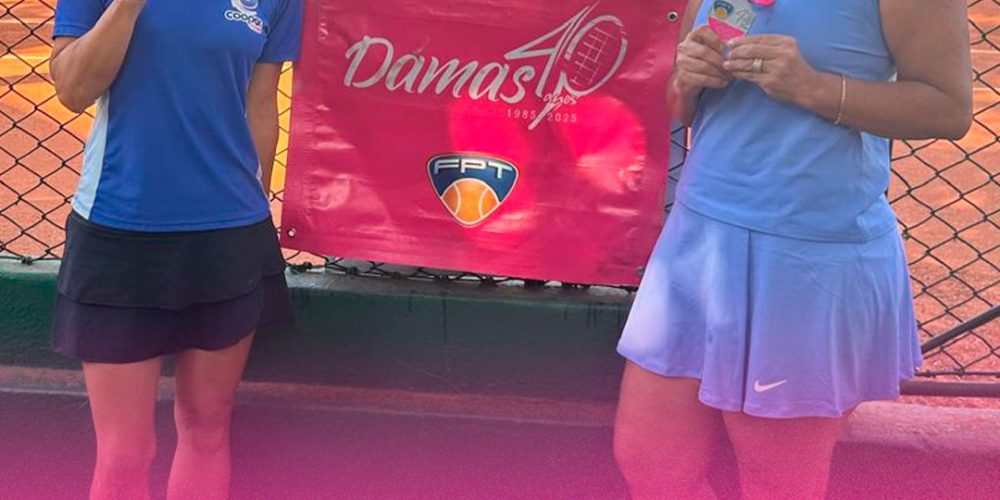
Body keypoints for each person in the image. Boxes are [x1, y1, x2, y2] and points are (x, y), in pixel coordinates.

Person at [613, 1, 972, 499]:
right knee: (649, 462)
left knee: (776, 484)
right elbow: (682, 101)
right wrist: (688, 80)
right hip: (697, 243)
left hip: (807, 260)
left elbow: (949, 108)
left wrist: (813, 87)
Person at [49, 0, 303, 498]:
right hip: (120, 229)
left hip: (229, 234)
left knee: (207, 430)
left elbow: (260, 105)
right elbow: (72, 90)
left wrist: (254, 215)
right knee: (126, 453)